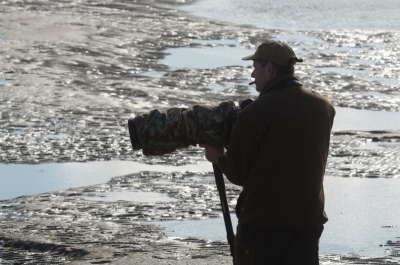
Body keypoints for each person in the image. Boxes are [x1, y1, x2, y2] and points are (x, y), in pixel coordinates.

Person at [199, 40, 335, 265]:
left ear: (270, 68)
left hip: (263, 226)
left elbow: (238, 173)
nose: (252, 73)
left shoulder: (254, 113)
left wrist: (218, 156)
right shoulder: (323, 107)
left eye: (255, 66)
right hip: (308, 220)